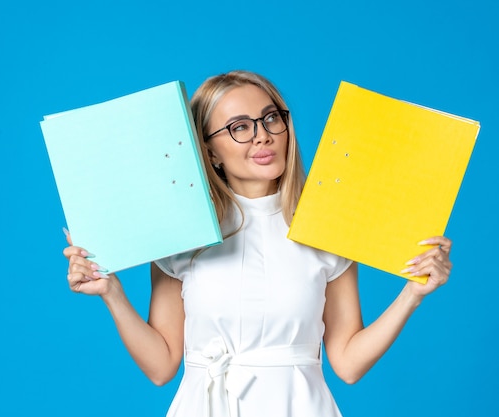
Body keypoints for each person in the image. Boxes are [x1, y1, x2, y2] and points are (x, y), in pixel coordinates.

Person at [63, 70, 453, 417]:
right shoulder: (183, 236)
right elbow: (162, 365)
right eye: (239, 126)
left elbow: (348, 363)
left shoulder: (328, 229)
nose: (262, 135)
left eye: (271, 118)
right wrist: (112, 293)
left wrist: (412, 295)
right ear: (210, 149)